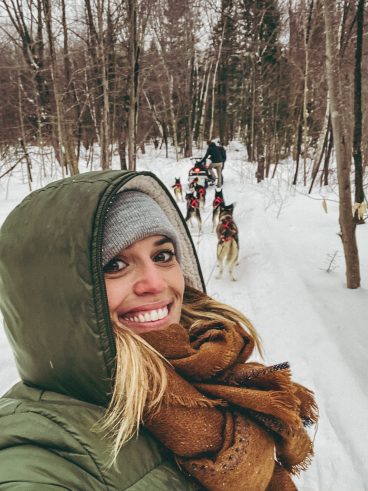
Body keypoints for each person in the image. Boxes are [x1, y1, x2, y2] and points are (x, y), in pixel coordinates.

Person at [0, 170, 317, 490]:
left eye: (162, 255)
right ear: (54, 297)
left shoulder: (206, 368)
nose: (155, 283)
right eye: (114, 265)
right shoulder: (39, 455)